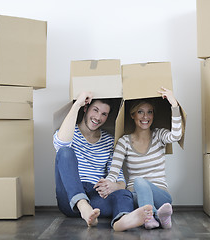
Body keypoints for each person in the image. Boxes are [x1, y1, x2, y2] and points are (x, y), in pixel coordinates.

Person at [53, 91, 153, 231]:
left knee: (124, 194)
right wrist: (77, 105)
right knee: (64, 152)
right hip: (70, 200)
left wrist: (114, 186)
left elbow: (121, 181)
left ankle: (121, 221)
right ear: (86, 109)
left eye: (104, 114)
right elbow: (61, 145)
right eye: (95, 110)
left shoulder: (109, 141)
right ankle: (82, 206)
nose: (98, 117)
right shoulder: (69, 132)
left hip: (95, 197)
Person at [103, 87, 183, 230]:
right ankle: (159, 216)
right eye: (140, 112)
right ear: (133, 115)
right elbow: (114, 172)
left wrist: (174, 105)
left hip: (161, 196)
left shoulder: (159, 135)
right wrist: (107, 184)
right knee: (137, 186)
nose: (145, 117)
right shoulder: (124, 142)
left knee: (141, 181)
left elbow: (176, 136)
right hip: (136, 197)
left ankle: (151, 217)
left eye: (149, 112)